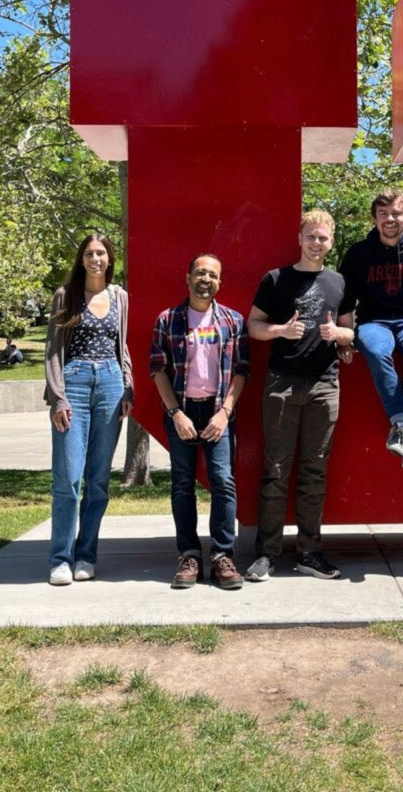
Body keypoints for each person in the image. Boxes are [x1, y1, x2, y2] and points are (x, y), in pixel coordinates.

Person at [244, 210, 355, 582]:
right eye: (311, 236)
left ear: (331, 242)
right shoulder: (276, 279)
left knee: (315, 472)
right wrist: (280, 330)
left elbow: (350, 333)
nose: (316, 243)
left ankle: (310, 552)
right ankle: (266, 555)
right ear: (300, 237)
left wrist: (337, 336)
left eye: (323, 238)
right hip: (282, 384)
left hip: (325, 384)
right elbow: (253, 326)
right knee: (275, 470)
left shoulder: (340, 282)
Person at [150, 253, 249, 591]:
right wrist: (175, 413)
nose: (206, 279)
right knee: (182, 483)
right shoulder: (168, 319)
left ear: (220, 282)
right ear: (188, 276)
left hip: (218, 412)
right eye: (200, 273)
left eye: (213, 275)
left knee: (223, 481)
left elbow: (240, 372)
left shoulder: (232, 321)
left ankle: (222, 556)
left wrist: (225, 413)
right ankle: (189, 555)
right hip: (182, 410)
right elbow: (158, 370)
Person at [44, 234, 134, 586]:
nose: (95, 259)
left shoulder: (120, 297)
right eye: (89, 254)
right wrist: (58, 397)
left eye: (101, 253)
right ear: (81, 260)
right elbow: (53, 351)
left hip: (111, 385)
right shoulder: (65, 296)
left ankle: (86, 555)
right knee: (68, 477)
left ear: (110, 260)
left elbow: (121, 345)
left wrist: (129, 385)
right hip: (74, 382)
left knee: (98, 480)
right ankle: (60, 559)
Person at [338, 188, 403, 469]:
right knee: (375, 350)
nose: (390, 219)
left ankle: (402, 428)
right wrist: (344, 340)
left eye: (396, 213)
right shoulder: (358, 254)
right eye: (383, 213)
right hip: (374, 322)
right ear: (374, 218)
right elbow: (345, 302)